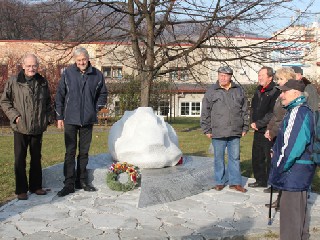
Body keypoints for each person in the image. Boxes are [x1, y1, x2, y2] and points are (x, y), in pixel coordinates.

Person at [55, 47, 108, 197]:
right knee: (70, 152)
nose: (81, 62)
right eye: (78, 60)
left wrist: (95, 108)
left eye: (83, 59)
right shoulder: (67, 74)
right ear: (75, 60)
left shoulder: (97, 75)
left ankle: (82, 181)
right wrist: (59, 117)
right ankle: (69, 183)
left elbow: (103, 94)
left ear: (87, 58)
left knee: (84, 152)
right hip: (70, 118)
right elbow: (60, 95)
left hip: (87, 119)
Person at [268, 80, 316, 240]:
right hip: (299, 172)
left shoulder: (298, 112)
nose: (281, 95)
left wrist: (278, 166)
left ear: (296, 93)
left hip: (293, 173)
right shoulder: (301, 110)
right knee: (298, 217)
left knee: (291, 222)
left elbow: (292, 147)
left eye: (284, 91)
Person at [0, 53, 52, 200]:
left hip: (37, 127)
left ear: (38, 66)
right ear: (23, 66)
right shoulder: (14, 81)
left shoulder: (42, 82)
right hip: (20, 127)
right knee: (20, 159)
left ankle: (36, 186)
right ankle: (21, 189)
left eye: (34, 65)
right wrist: (14, 116)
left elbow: (48, 102)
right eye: (28, 66)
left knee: (36, 158)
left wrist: (47, 118)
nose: (31, 68)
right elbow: (4, 101)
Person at [200, 66, 249, 193]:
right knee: (219, 158)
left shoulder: (239, 90)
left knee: (235, 158)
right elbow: (205, 111)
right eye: (220, 75)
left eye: (225, 75)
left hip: (235, 131)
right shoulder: (212, 91)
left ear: (230, 77)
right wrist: (206, 129)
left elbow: (245, 110)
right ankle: (219, 181)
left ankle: (235, 182)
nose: (222, 77)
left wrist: (245, 126)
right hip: (218, 131)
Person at [263, 68, 296, 210]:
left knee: (284, 168)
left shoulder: (291, 95)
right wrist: (268, 129)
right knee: (277, 166)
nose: (278, 82)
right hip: (276, 133)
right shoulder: (281, 95)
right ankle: (279, 199)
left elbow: (283, 119)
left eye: (280, 79)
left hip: (283, 134)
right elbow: (275, 115)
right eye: (278, 79)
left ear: (288, 79)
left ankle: (284, 200)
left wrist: (273, 131)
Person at [249, 66, 280, 189]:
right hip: (257, 130)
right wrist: (252, 121)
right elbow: (253, 107)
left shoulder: (275, 91)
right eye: (259, 75)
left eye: (262, 75)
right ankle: (260, 180)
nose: (259, 78)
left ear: (270, 77)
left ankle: (272, 183)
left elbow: (273, 112)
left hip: (268, 130)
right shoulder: (258, 89)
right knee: (257, 156)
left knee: (270, 157)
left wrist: (259, 123)